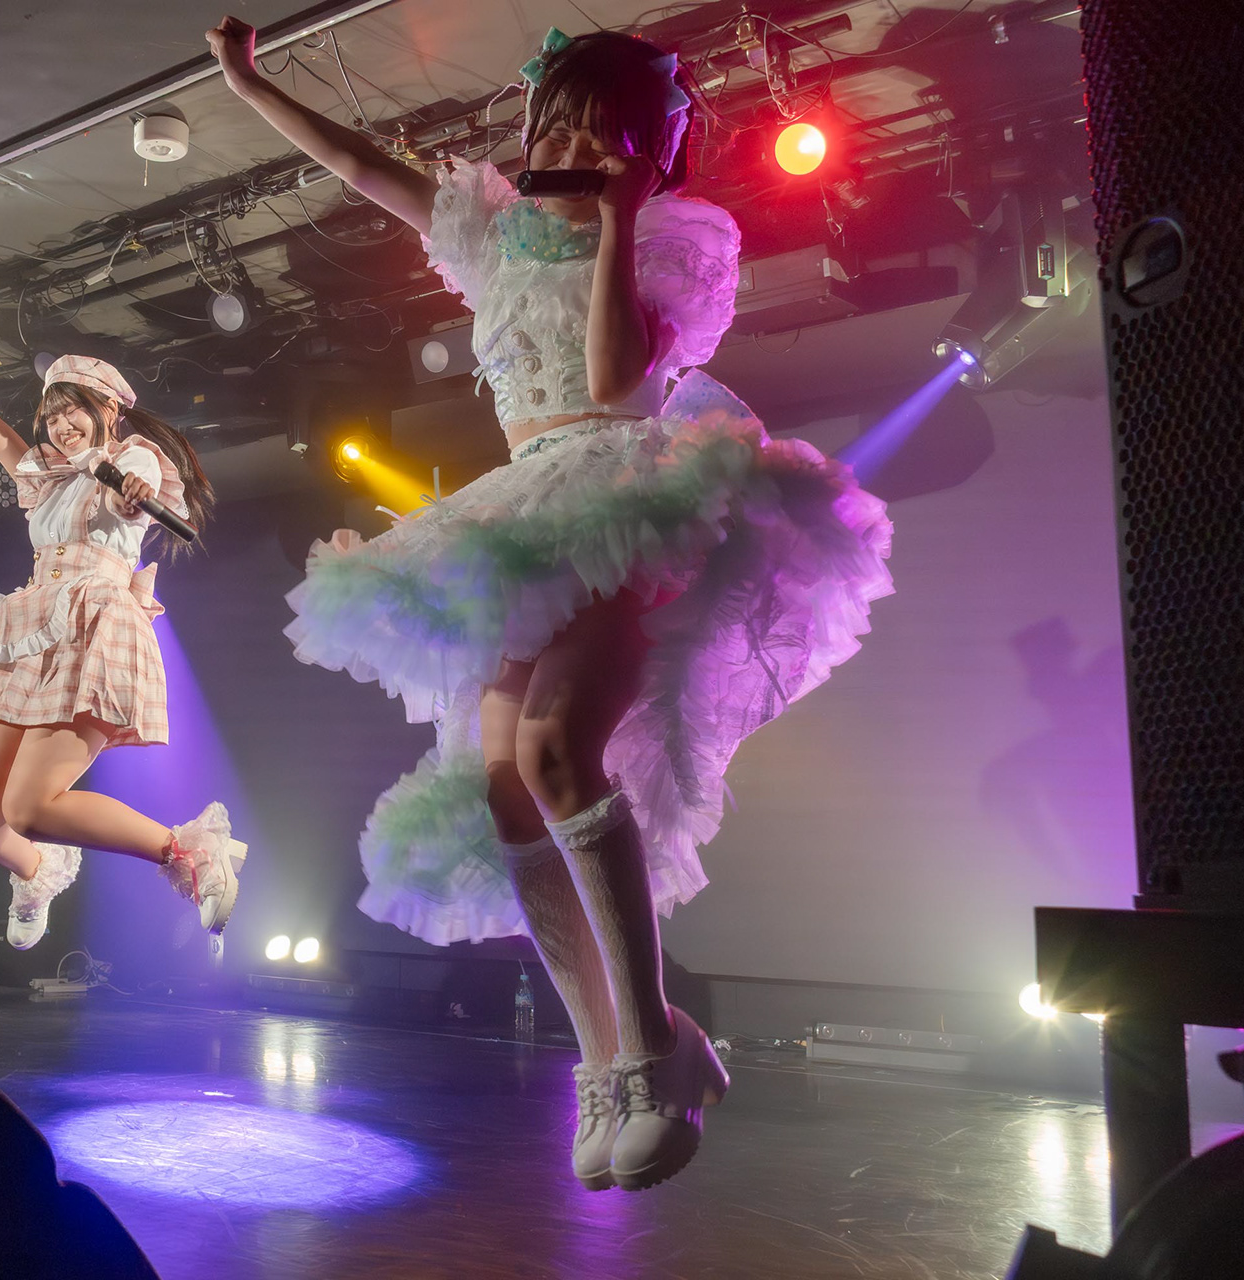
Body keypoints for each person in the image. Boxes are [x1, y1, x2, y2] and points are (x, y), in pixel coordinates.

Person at [208, 19, 893, 1190]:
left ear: (649, 151)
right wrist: (247, 83)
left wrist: (618, 220)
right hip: (521, 505)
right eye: (555, 127)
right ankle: (608, 1060)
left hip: (621, 490)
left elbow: (621, 381)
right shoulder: (491, 233)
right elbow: (364, 168)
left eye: (597, 133)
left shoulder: (677, 242)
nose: (568, 148)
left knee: (560, 751)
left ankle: (657, 1048)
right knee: (503, 790)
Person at [0, 330, 247, 950]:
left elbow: (131, 498)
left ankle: (191, 854)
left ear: (108, 410)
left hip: (92, 625)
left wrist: (131, 495)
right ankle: (39, 872)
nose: (61, 424)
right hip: (33, 631)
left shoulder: (133, 457)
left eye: (73, 410)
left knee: (28, 809)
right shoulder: (47, 476)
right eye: (52, 415)